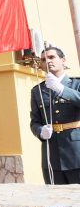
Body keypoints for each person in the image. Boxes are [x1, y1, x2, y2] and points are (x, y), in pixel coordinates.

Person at [30, 46, 80, 184]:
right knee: (56, 200)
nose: (48, 61)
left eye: (52, 57)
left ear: (63, 60)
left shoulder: (76, 84)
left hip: (76, 154)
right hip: (51, 156)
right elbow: (34, 121)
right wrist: (40, 132)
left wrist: (63, 90)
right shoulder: (37, 91)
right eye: (44, 59)